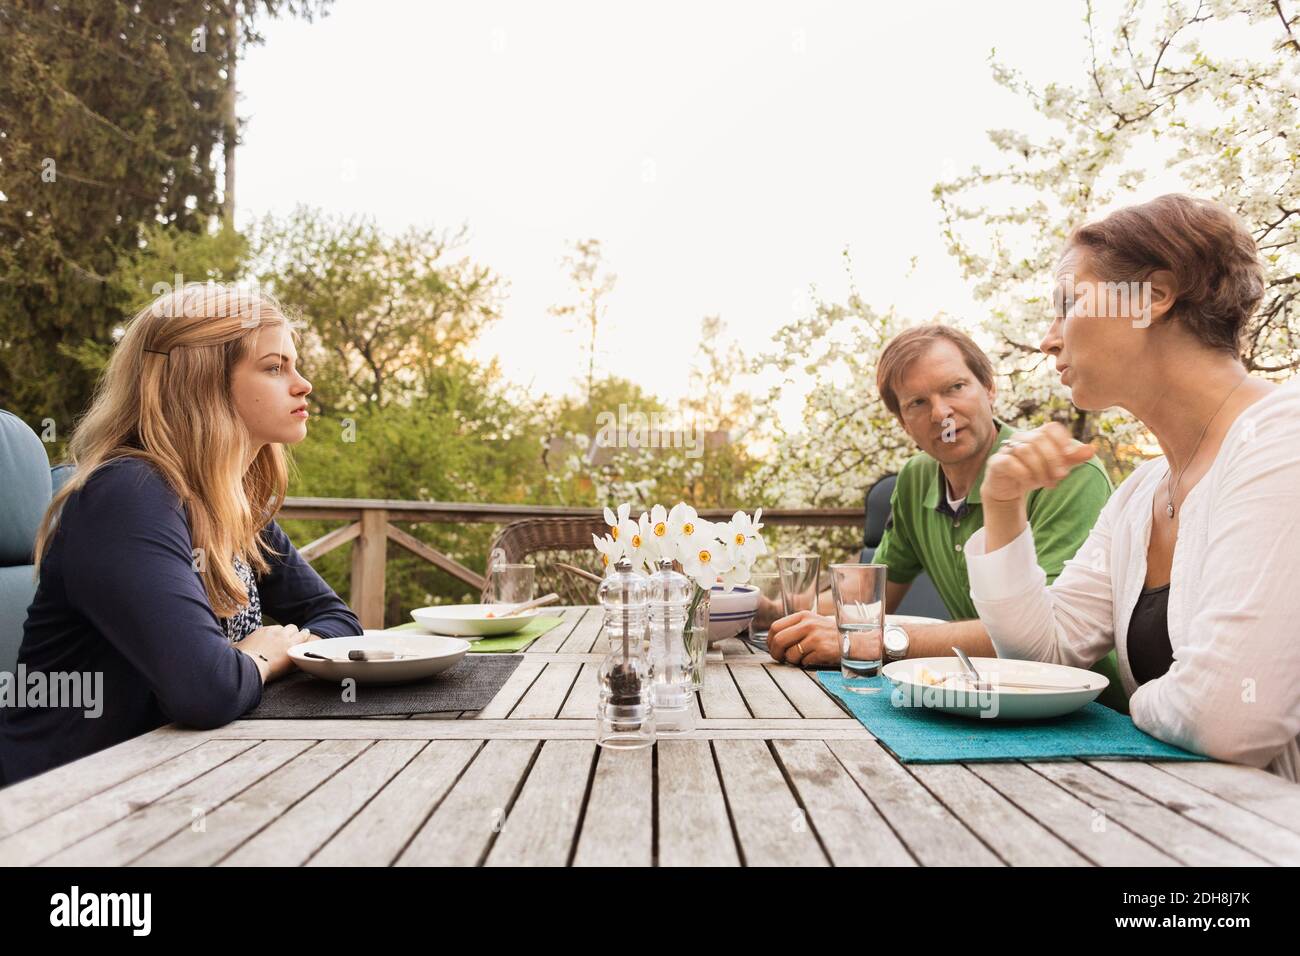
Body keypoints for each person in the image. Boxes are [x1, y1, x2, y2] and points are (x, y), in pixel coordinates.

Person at [966, 194, 1300, 779]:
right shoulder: (1140, 493)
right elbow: (1043, 656)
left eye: (1068, 303)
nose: (1047, 339)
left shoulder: (1282, 442)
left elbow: (1227, 718)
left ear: (1154, 296)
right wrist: (1002, 503)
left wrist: (1133, 705)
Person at [0, 284, 360, 787]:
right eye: (275, 367)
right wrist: (263, 655)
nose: (304, 385)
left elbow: (339, 620)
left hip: (174, 778)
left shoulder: (236, 502)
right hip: (60, 804)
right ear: (202, 381)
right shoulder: (129, 495)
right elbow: (205, 691)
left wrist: (274, 654)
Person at [766, 324, 1116, 689]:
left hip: (1085, 709)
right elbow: (872, 596)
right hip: (977, 700)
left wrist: (877, 642)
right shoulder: (916, 479)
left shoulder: (1062, 472)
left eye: (955, 387)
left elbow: (1043, 638)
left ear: (990, 388)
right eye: (917, 402)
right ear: (903, 423)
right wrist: (772, 613)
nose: (941, 413)